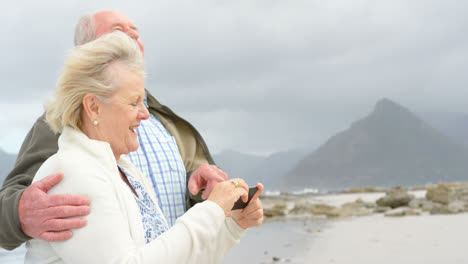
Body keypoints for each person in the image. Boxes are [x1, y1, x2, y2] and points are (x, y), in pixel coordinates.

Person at [0, 10, 233, 250]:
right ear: (85, 51)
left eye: (136, 33)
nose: (132, 38)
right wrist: (18, 212)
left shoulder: (170, 125)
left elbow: (197, 212)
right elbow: (8, 205)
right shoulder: (57, 123)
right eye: (119, 33)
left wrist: (202, 190)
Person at [24, 31, 263, 263]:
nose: (145, 114)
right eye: (133, 102)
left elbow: (172, 257)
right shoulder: (72, 173)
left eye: (143, 102)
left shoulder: (123, 170)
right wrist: (212, 210)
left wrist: (232, 225)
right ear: (93, 107)